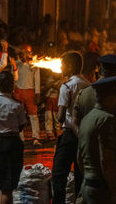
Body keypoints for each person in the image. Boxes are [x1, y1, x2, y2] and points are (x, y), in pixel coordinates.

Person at [77, 76, 116, 204]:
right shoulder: (106, 120)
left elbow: (79, 157)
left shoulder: (87, 118)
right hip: (102, 190)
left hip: (89, 185)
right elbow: (106, 160)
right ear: (110, 97)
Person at [52, 51, 90, 204]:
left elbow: (61, 116)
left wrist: (56, 118)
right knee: (80, 174)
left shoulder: (66, 87)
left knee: (58, 174)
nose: (61, 68)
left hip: (69, 136)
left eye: (62, 64)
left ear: (69, 65)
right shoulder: (89, 85)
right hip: (84, 134)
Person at [0, 71, 26, 204]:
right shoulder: (17, 105)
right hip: (12, 144)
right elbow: (21, 126)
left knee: (2, 184)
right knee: (8, 187)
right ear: (12, 86)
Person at [14, 44, 42, 145]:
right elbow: (14, 77)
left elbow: (37, 79)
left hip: (30, 91)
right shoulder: (17, 63)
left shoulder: (34, 64)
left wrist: (37, 93)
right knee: (19, 115)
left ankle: (36, 137)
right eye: (23, 52)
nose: (25, 54)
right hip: (18, 91)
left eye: (27, 52)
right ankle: (21, 137)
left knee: (33, 115)